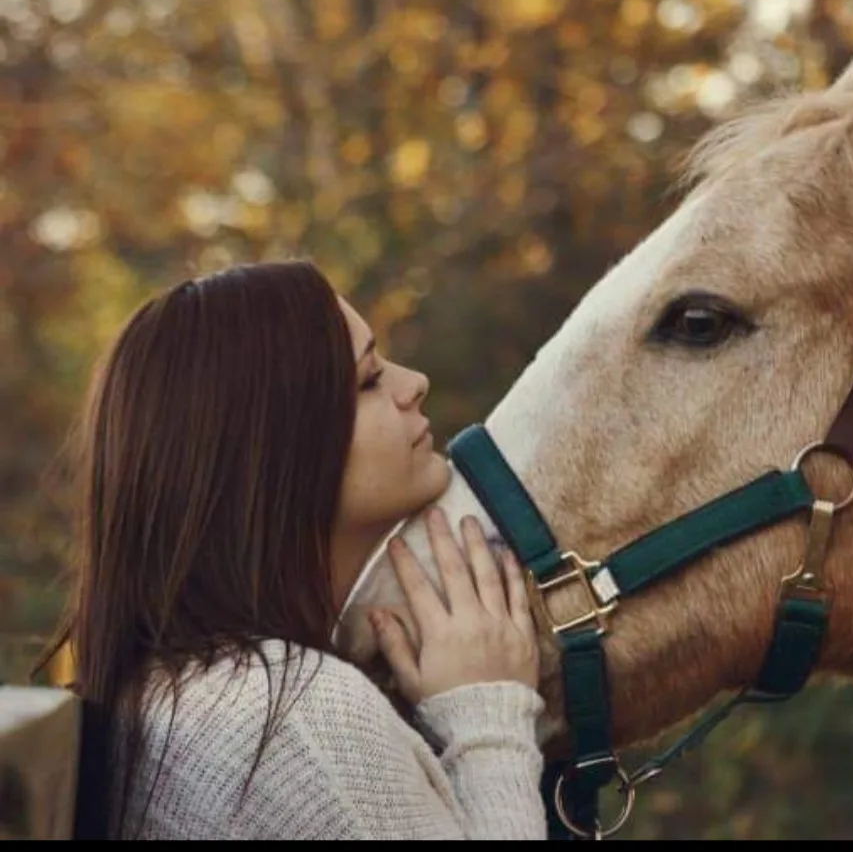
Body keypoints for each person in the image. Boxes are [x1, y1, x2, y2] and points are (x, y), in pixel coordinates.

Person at [37, 259, 549, 840]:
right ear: (271, 449)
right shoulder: (290, 719)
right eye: (368, 380)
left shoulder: (172, 699)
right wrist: (488, 720)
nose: (413, 384)